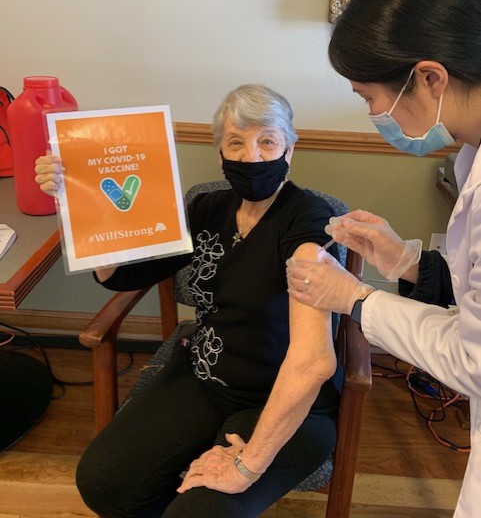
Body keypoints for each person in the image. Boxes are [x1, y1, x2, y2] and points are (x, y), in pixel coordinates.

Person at [35, 84, 341, 518]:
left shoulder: (308, 220)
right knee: (104, 484)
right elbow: (124, 274)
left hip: (282, 400)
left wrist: (246, 465)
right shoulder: (206, 208)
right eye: (235, 141)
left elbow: (312, 362)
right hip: (204, 376)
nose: (251, 156)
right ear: (220, 151)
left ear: (290, 148)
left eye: (267, 141)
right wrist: (75, 203)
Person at [286, 0, 481, 518]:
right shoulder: (470, 155)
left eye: (369, 98)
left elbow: (473, 359)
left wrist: (357, 299)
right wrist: (408, 261)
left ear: (428, 77)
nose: (374, 114)